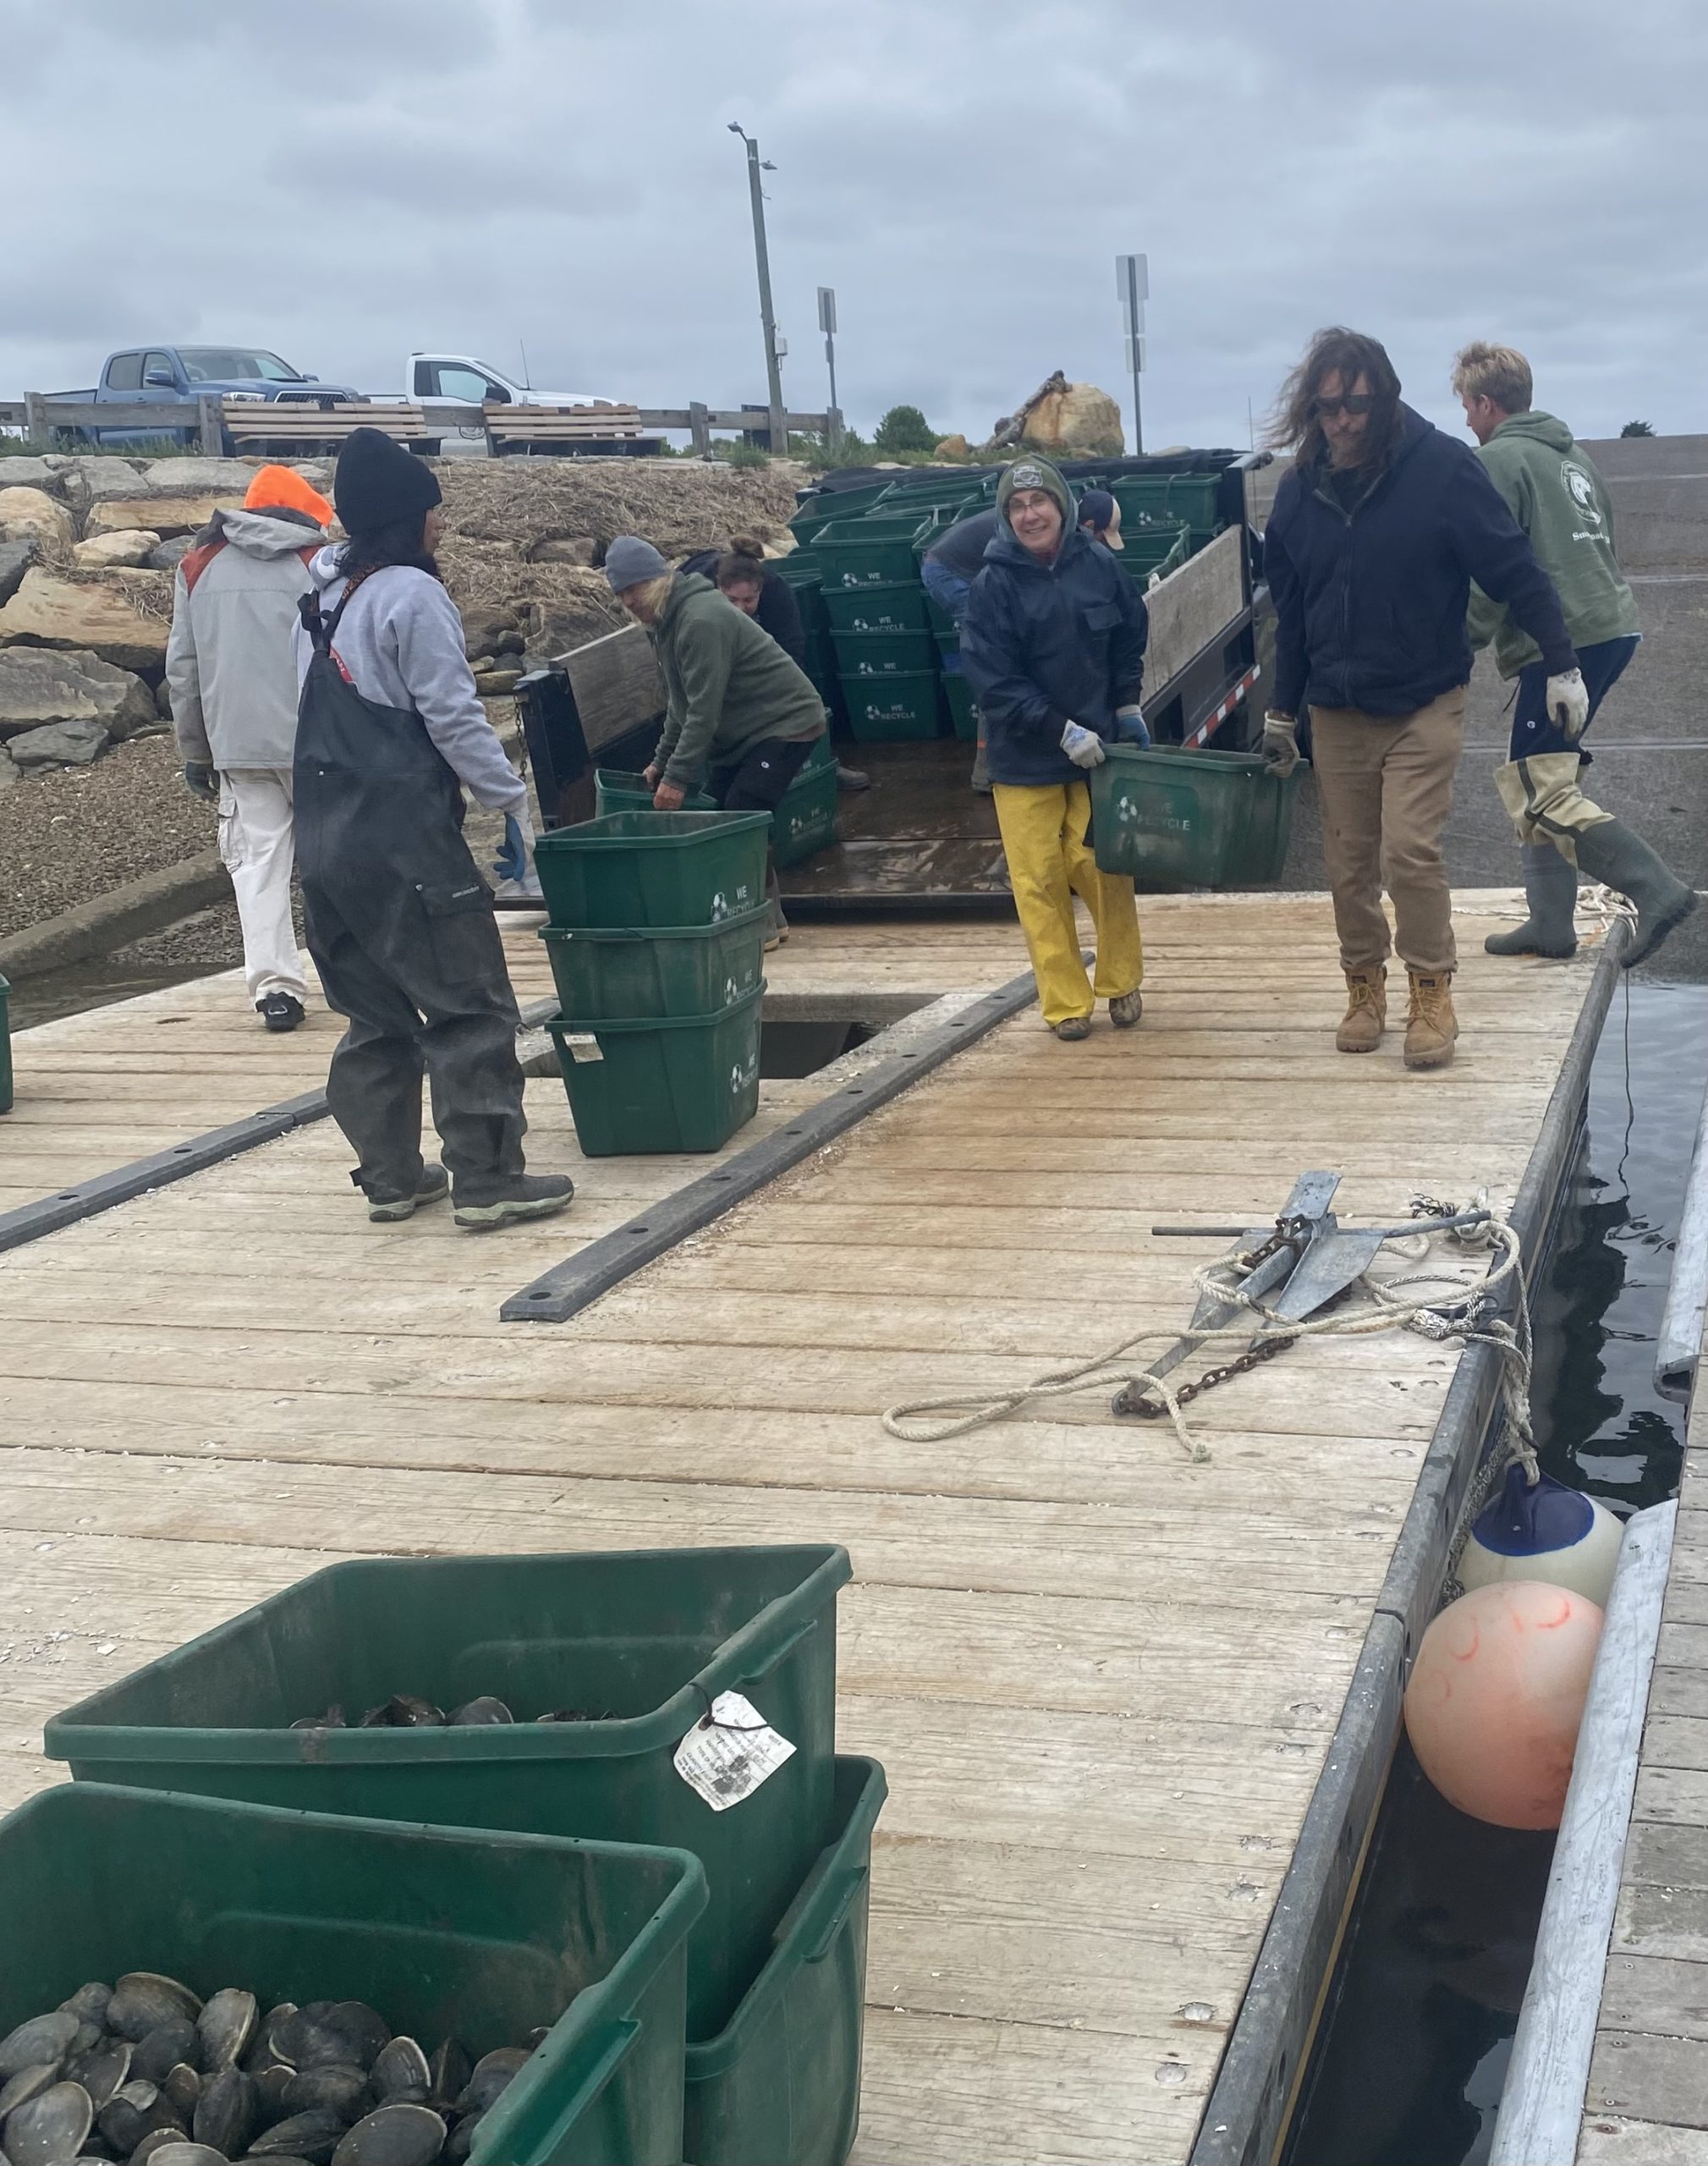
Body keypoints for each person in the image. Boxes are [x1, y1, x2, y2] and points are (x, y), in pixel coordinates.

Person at [1260, 327, 1584, 1072]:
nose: (1340, 421)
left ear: (1384, 398)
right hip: (1335, 707)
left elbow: (1514, 568)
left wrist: (1561, 664)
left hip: (1421, 699)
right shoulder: (1297, 490)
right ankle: (1363, 988)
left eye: (1355, 405)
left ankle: (1431, 990)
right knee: (1347, 863)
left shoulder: (1440, 468)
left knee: (1406, 850)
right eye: (1326, 407)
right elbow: (1293, 609)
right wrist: (1282, 708)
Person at [290, 426, 573, 1231]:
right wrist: (506, 797)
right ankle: (485, 1179)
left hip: (324, 841)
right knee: (468, 1006)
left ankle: (391, 1178)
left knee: (374, 1016)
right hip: (403, 840)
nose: (440, 527)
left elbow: (299, 716)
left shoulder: (318, 599)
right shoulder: (410, 595)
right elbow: (450, 713)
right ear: (405, 520)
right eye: (432, 514)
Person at [1453, 340, 1695, 967]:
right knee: (1536, 773)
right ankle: (1550, 925)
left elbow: (1491, 564)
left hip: (1562, 639)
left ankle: (1655, 888)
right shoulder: (1574, 456)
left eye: (1465, 405)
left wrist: (1460, 644)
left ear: (1484, 402)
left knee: (1540, 789)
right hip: (1610, 624)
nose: (1464, 420)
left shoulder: (1498, 461)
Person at [960, 456, 1148, 1039]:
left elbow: (1128, 635)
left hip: (1098, 754)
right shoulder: (991, 586)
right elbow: (993, 678)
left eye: (1038, 501)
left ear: (1062, 507)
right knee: (1038, 880)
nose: (1029, 513)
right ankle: (1066, 1002)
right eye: (1016, 506)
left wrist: (1125, 704)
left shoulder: (1099, 565)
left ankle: (1120, 981)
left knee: (1100, 867)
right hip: (1023, 757)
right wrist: (1058, 729)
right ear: (1005, 516)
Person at [166, 465, 332, 1032]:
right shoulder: (317, 564)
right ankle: (357, 979)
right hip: (318, 741)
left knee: (256, 867)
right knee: (335, 860)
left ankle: (276, 992)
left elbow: (183, 669)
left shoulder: (197, 565)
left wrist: (195, 749)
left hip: (237, 744)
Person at [605, 535, 827, 949]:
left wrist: (677, 779)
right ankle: (773, 920)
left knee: (740, 816)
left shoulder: (701, 620)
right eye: (621, 594)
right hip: (745, 735)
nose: (629, 602)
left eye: (634, 589)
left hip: (786, 723)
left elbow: (703, 712)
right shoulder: (665, 624)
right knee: (729, 817)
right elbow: (679, 703)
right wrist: (661, 761)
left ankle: (754, 927)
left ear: (657, 581)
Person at [679, 536, 869, 790]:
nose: (740, 608)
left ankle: (819, 761)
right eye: (732, 600)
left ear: (761, 589)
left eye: (749, 601)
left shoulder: (777, 592)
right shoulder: (699, 597)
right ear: (718, 588)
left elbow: (792, 649)